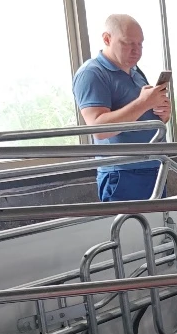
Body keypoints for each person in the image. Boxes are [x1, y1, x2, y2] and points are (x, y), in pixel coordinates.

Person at [72, 14, 170, 201]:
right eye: (128, 43)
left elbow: (140, 114)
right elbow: (98, 128)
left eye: (140, 44)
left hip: (153, 167)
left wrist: (161, 114)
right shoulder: (92, 73)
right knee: (128, 221)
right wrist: (144, 103)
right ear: (107, 39)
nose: (136, 50)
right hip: (122, 172)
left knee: (157, 221)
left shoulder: (136, 72)